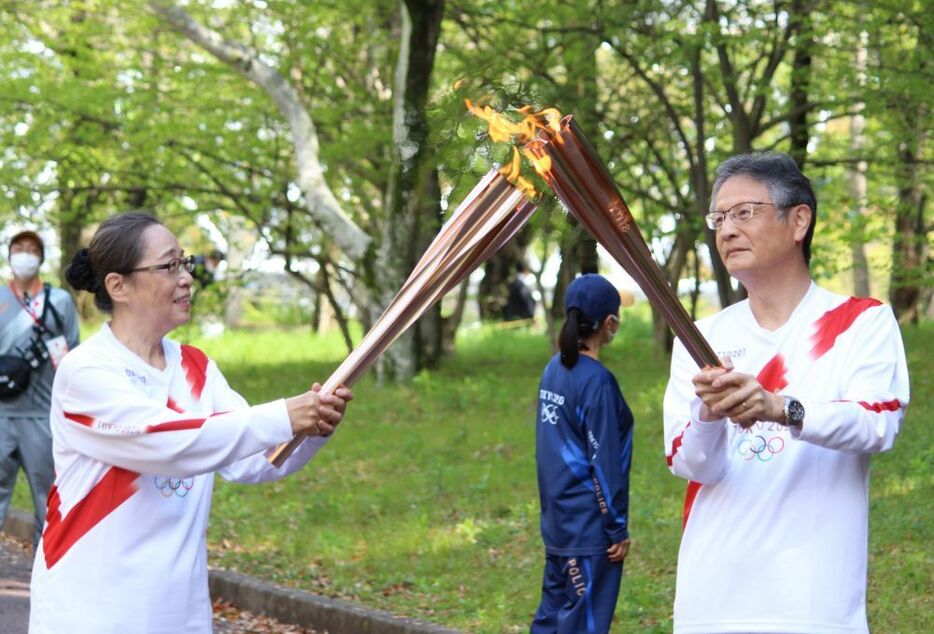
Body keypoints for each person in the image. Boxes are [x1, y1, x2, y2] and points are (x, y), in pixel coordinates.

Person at [29, 213, 353, 634]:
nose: (186, 278)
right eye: (168, 266)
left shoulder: (195, 367)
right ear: (117, 285)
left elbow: (253, 459)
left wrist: (310, 429)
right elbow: (166, 442)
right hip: (90, 611)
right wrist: (282, 416)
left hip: (178, 614)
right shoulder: (86, 371)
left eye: (185, 263)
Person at [663, 152, 909, 633]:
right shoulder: (699, 337)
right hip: (712, 599)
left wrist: (782, 408)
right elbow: (692, 465)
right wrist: (708, 415)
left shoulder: (860, 322)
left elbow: (879, 422)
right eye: (719, 218)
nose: (727, 230)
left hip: (811, 602)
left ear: (799, 220)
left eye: (745, 212)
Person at [531, 273, 634, 634]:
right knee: (581, 625)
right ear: (609, 323)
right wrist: (615, 528)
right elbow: (603, 462)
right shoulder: (598, 382)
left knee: (551, 619)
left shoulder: (553, 369)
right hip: (589, 532)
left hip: (558, 523)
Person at [0, 230, 80, 547]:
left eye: (32, 249)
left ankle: (45, 576)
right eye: (18, 248)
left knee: (48, 501)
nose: (24, 254)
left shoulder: (59, 301)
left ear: (41, 257)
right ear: (9, 255)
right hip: (1, 414)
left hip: (41, 416)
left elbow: (71, 356)